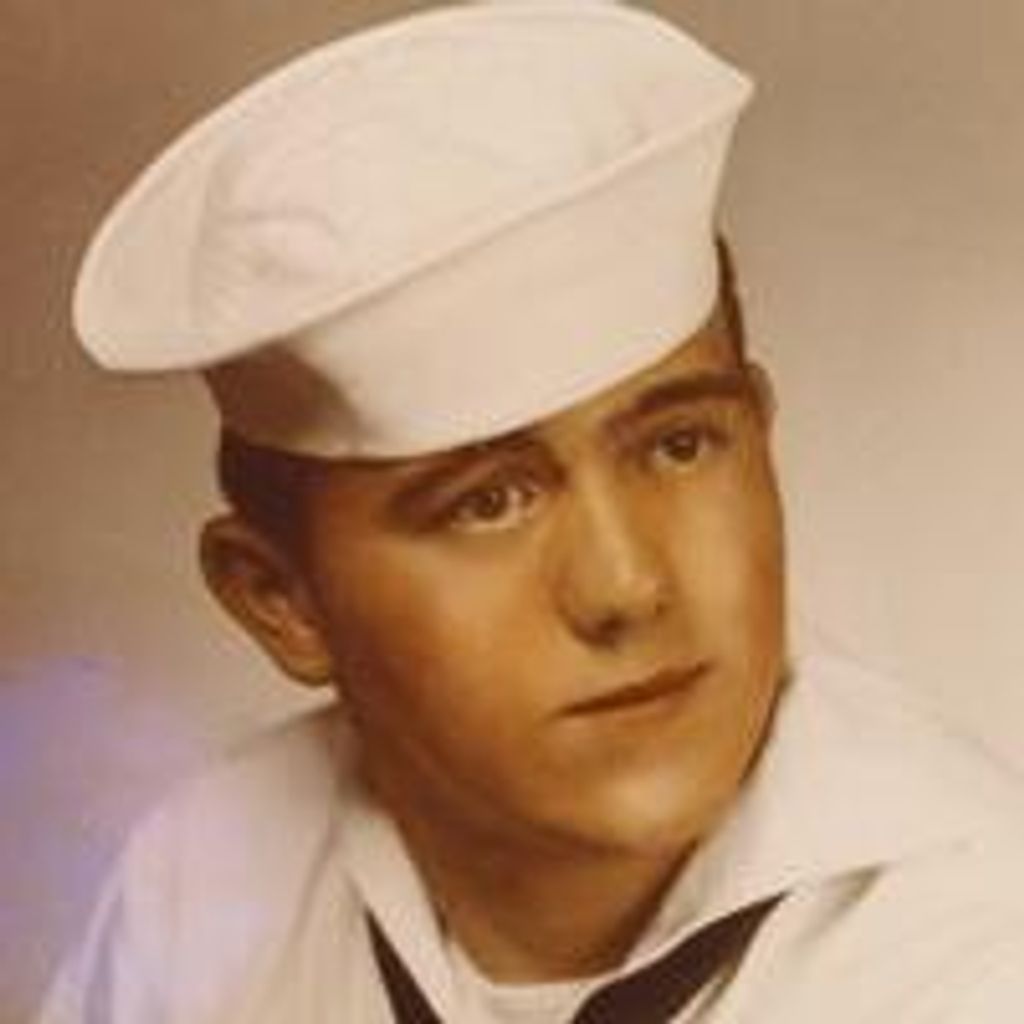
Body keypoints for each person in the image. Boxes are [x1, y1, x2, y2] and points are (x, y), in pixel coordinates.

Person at [37, 3, 1024, 1022]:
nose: (625, 585)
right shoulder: (201, 887)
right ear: (282, 601)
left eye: (679, 445)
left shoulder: (980, 956)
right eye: (488, 501)